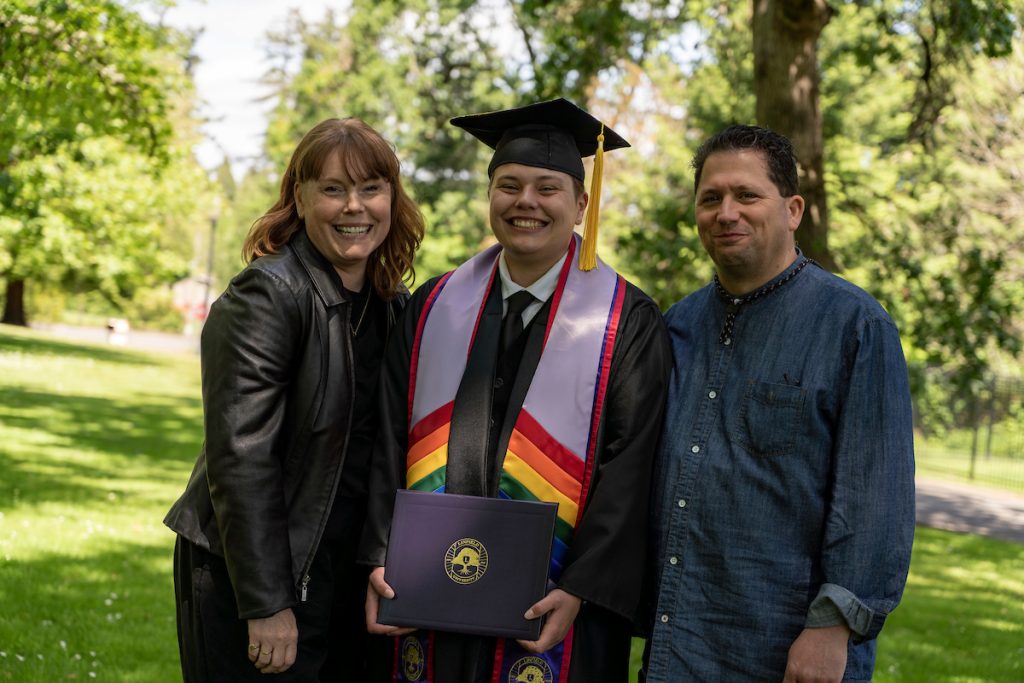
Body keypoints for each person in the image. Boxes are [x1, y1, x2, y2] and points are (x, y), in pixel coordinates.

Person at [359, 98, 671, 683]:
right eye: (509, 185)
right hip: (430, 593)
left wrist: (580, 588)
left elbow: (631, 469)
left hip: (554, 609)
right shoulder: (431, 307)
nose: (526, 202)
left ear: (581, 204)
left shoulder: (625, 322)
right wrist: (380, 553)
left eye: (547, 188)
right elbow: (387, 439)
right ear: (490, 197)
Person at [642, 125, 915, 681]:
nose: (726, 212)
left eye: (747, 195)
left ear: (792, 209)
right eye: (710, 198)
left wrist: (831, 629)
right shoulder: (676, 327)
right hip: (678, 639)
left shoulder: (855, 326)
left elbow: (875, 501)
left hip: (786, 647)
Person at [164, 117, 424, 681]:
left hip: (343, 572)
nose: (354, 207)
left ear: (392, 198)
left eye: (371, 189)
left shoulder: (390, 304)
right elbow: (241, 458)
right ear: (299, 197)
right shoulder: (269, 295)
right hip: (256, 572)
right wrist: (266, 603)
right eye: (333, 189)